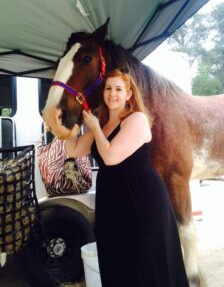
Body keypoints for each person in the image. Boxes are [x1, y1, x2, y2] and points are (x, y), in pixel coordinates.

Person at [64, 68, 189, 287]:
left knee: (145, 263)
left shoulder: (137, 119)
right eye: (109, 88)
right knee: (117, 260)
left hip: (141, 202)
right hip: (112, 202)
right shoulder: (101, 125)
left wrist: (94, 126)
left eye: (119, 89)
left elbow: (111, 156)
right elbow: (73, 149)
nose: (113, 94)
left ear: (129, 94)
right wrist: (69, 122)